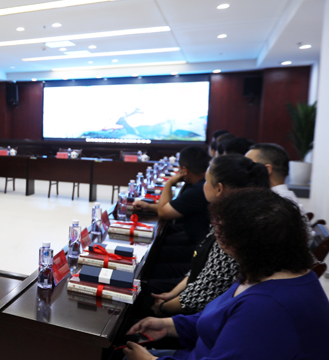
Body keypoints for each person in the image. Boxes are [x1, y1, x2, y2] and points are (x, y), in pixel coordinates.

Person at [125, 189, 329, 360]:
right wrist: (170, 325)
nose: (216, 234)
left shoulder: (265, 307)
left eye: (220, 228)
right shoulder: (269, 271)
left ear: (240, 243)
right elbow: (220, 320)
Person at [146, 155, 270, 318]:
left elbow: (205, 292)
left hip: (206, 317)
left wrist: (163, 308)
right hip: (195, 296)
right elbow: (202, 267)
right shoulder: (224, 216)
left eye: (206, 181)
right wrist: (172, 294)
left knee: (142, 294)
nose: (202, 185)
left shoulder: (234, 229)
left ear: (219, 189)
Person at [134, 147, 210, 269]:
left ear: (184, 170)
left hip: (196, 249)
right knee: (157, 242)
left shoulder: (197, 190)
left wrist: (169, 183)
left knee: (150, 256)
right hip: (197, 240)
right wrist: (149, 207)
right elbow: (175, 207)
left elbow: (164, 212)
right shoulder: (202, 184)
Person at [245, 142, 302, 207]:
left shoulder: (275, 204)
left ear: (266, 170)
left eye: (248, 166)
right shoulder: (286, 200)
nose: (244, 170)